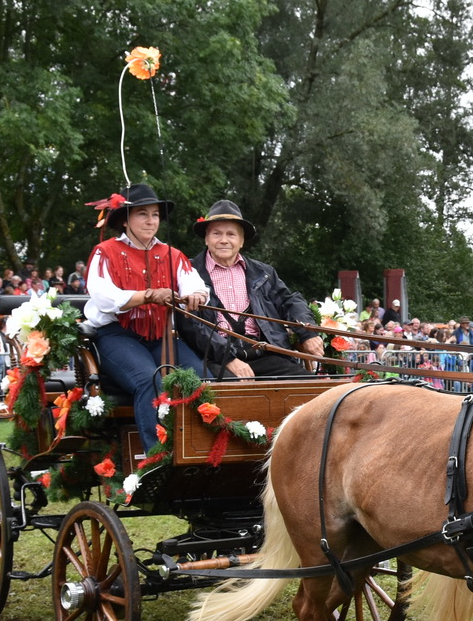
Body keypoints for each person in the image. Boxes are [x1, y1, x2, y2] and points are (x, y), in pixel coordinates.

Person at [82, 182, 210, 452]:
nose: (150, 221)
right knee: (146, 380)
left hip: (160, 334)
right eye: (142, 214)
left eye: (154, 214)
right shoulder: (105, 252)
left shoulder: (172, 254)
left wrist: (196, 295)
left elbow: (194, 284)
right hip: (117, 334)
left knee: (201, 377)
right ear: (125, 220)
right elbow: (104, 297)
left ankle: (200, 450)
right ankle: (157, 458)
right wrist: (149, 295)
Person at [185, 199, 321, 378]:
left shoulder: (264, 272)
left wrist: (307, 333)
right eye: (216, 234)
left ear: (241, 241)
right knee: (235, 396)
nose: (224, 240)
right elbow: (190, 325)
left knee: (310, 388)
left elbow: (290, 301)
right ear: (206, 238)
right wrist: (229, 359)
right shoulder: (188, 272)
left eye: (231, 234)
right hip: (215, 357)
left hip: (265, 353)